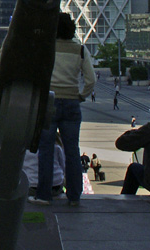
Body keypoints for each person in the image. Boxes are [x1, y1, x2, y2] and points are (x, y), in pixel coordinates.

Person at [31, 13, 95, 206]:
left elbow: (35, 73)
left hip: (49, 102)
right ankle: (74, 196)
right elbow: (91, 80)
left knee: (46, 150)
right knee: (72, 150)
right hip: (72, 103)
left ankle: (44, 195)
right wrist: (81, 95)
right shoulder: (81, 50)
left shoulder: (46, 48)